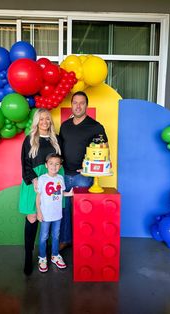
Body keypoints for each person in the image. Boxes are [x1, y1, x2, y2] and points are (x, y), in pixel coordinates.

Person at [59, 91, 109, 250]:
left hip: (84, 176)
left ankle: (83, 241)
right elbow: (60, 148)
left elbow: (104, 152)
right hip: (64, 174)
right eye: (75, 103)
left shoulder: (95, 126)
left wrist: (89, 169)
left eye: (81, 103)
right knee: (64, 209)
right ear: (71, 105)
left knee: (83, 211)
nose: (78, 106)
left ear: (86, 106)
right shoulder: (65, 125)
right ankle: (65, 239)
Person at [19, 108, 62, 276]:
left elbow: (60, 162)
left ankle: (51, 255)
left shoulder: (56, 139)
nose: (45, 122)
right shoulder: (29, 139)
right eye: (41, 119)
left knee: (50, 217)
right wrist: (33, 179)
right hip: (34, 183)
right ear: (37, 121)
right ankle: (28, 256)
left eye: (47, 119)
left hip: (53, 185)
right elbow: (25, 163)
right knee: (32, 218)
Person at [36, 153, 73, 273]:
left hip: (57, 214)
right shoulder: (42, 179)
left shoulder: (60, 178)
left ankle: (55, 255)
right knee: (44, 237)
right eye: (51, 164)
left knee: (56, 235)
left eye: (57, 164)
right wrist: (39, 212)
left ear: (60, 166)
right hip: (46, 214)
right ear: (46, 165)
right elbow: (38, 197)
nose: (54, 166)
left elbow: (60, 194)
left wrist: (70, 194)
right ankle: (42, 258)